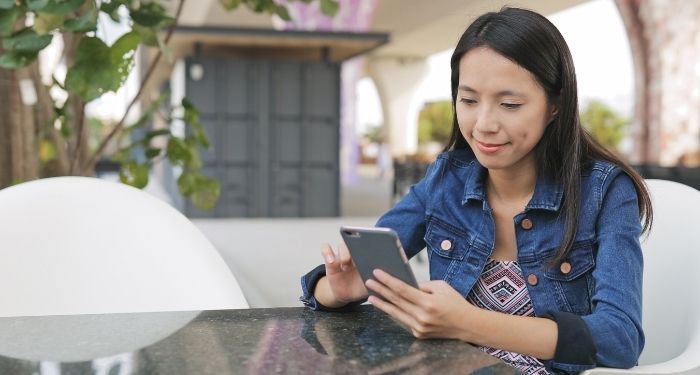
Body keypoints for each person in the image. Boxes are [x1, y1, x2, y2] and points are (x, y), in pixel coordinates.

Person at [299, 7, 653, 374]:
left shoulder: (606, 192)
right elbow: (351, 277)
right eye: (468, 101)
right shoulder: (446, 179)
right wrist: (337, 291)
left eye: (509, 104)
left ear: (555, 105)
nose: (483, 124)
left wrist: (466, 322)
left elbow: (619, 340)